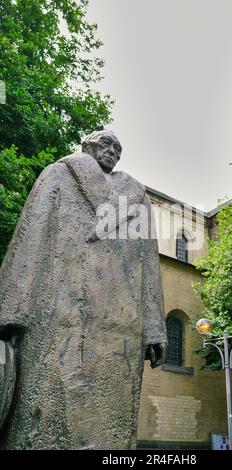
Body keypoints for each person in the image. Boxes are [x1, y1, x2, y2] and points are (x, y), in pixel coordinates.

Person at [0, 130, 167, 449]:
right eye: (106, 145)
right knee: (48, 409)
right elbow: (30, 237)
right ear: (87, 146)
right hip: (57, 311)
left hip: (121, 326)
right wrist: (11, 312)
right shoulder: (59, 174)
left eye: (118, 149)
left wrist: (154, 329)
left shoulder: (136, 195)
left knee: (113, 421)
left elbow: (148, 259)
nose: (113, 152)